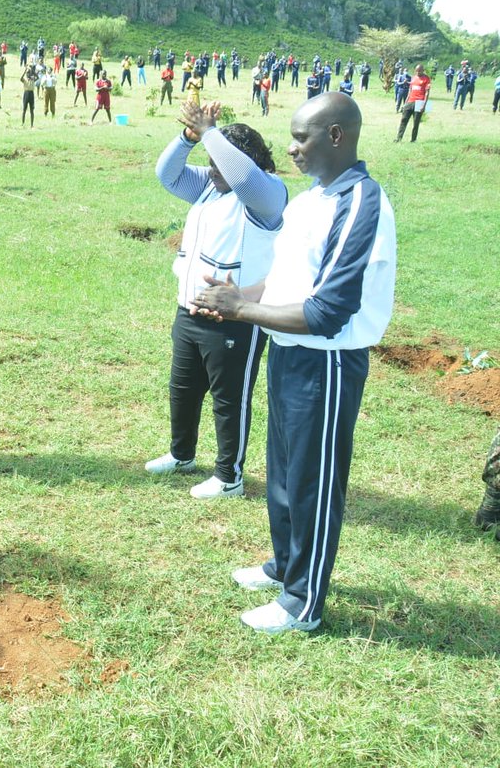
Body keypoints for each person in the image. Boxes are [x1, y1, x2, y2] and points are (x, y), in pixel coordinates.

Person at [193, 92, 396, 633]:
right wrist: (237, 296)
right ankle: (284, 566)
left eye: (301, 137)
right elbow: (285, 283)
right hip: (288, 353)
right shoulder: (311, 200)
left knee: (313, 480)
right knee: (282, 472)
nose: (291, 147)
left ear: (337, 136)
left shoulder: (361, 203)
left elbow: (330, 310)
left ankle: (303, 603)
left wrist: (246, 309)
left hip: (326, 364)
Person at [148, 101, 286, 499]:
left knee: (229, 400)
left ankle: (229, 477)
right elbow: (167, 175)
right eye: (209, 160)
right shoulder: (213, 184)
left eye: (218, 160)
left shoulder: (266, 195)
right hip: (189, 309)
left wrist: (211, 132)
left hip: (235, 318)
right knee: (183, 388)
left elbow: (244, 176)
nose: (212, 169)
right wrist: (188, 137)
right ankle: (182, 455)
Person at [395, 64, 431, 143]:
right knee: (403, 120)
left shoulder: (426, 78)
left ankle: (413, 139)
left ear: (423, 70)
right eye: (416, 71)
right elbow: (410, 91)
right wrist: (405, 103)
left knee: (416, 122)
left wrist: (424, 105)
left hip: (420, 102)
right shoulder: (413, 78)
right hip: (410, 101)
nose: (418, 72)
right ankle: (398, 138)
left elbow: (427, 93)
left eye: (419, 71)